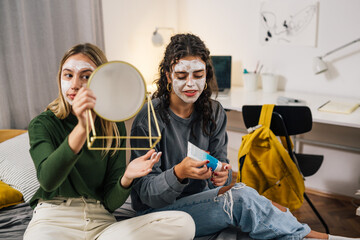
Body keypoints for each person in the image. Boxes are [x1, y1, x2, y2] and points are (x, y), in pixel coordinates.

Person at [130, 34, 359, 240]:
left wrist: (222, 175)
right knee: (241, 199)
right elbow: (146, 194)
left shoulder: (214, 111)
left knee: (272, 208)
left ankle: (309, 236)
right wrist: (179, 173)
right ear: (168, 76)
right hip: (159, 213)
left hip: (199, 201)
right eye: (181, 75)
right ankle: (318, 238)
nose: (190, 83)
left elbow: (222, 168)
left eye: (198, 75)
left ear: (207, 75)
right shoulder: (148, 119)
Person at [24, 43, 195, 240]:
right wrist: (82, 128)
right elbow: (48, 179)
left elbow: (111, 203)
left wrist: (127, 177)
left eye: (86, 76)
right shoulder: (43, 124)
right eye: (68, 75)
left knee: (183, 224)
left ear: (102, 82)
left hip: (101, 224)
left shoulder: (114, 127)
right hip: (54, 219)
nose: (75, 85)